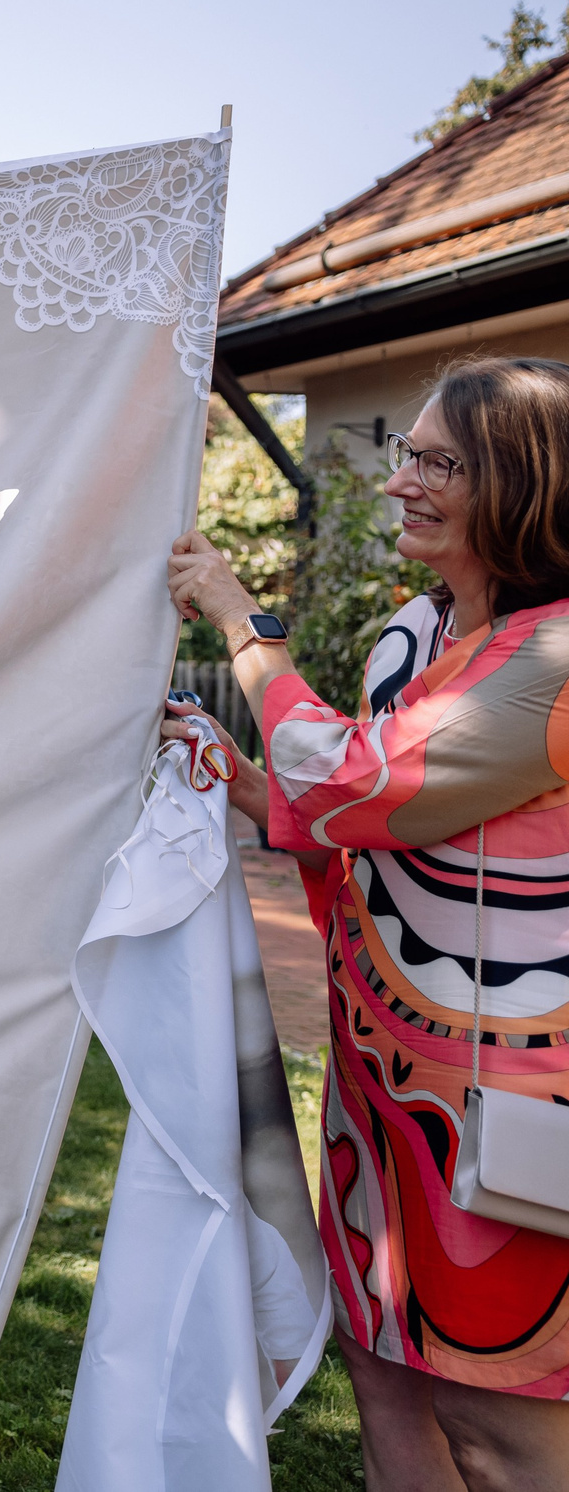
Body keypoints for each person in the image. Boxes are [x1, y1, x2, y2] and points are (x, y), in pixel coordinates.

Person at [166, 355, 569, 1491]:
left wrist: (246, 626)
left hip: (510, 1117)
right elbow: (374, 827)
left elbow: (366, 781)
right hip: (382, 1093)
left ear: (525, 483)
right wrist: (256, 789)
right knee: (386, 1379)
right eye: (410, 453)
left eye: (442, 461)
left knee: (500, 1428)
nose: (404, 482)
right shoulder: (412, 632)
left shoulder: (554, 663)